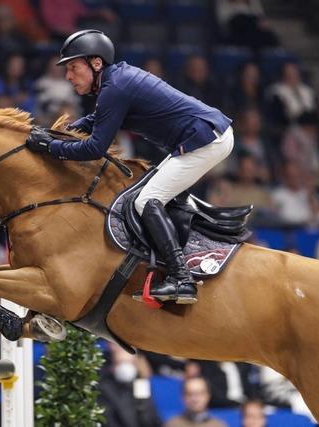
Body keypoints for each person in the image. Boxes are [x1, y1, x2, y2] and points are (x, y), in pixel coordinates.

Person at [24, 30, 235, 304]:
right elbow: (97, 118)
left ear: (96, 63)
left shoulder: (116, 87)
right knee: (147, 197)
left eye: (73, 68)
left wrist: (51, 148)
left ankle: (182, 280)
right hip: (203, 137)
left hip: (206, 140)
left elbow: (95, 149)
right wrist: (63, 132)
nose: (68, 76)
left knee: (146, 201)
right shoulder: (116, 81)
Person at [99, 342, 162, 427]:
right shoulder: (102, 379)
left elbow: (150, 418)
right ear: (111, 345)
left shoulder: (140, 381)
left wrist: (142, 380)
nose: (125, 350)